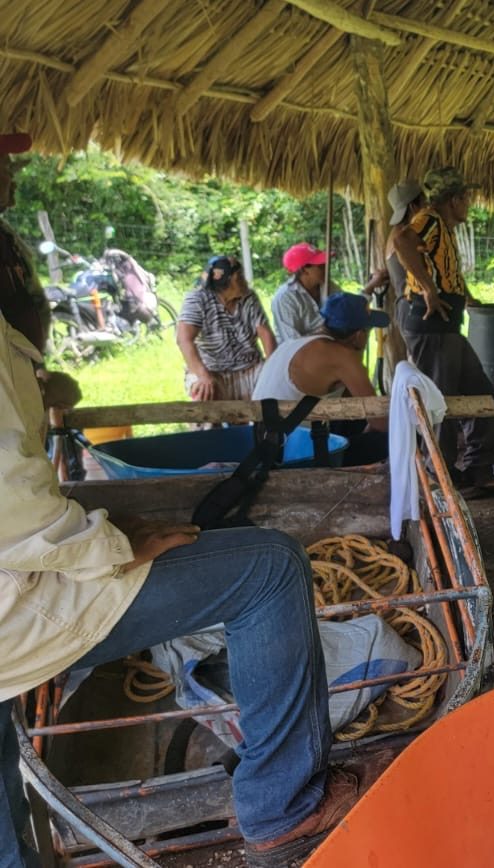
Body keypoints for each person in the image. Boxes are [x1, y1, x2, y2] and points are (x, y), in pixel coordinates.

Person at [0, 130, 354, 868]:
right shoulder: (222, 301)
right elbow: (17, 510)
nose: (11, 167)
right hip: (16, 603)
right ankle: (281, 803)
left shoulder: (257, 303)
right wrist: (112, 541)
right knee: (271, 567)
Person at [391, 166, 494, 499]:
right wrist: (428, 289)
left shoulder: (441, 227)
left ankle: (478, 469)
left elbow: (443, 268)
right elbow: (401, 241)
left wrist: (465, 294)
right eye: (467, 198)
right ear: (455, 199)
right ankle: (438, 480)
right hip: (432, 327)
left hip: (447, 328)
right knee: (438, 402)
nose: (468, 204)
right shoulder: (428, 219)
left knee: (481, 394)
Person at [251, 294, 390, 466]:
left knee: (356, 423)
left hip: (262, 444)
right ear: (359, 335)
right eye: (368, 331)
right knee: (391, 436)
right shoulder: (342, 357)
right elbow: (381, 422)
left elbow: (352, 403)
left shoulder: (294, 343)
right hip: (292, 455)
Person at [177, 254, 277, 405]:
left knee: (278, 390)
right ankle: (206, 428)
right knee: (203, 394)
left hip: (251, 367)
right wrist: (203, 376)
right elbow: (184, 340)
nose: (245, 280)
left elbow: (265, 333)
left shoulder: (248, 297)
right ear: (232, 279)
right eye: (241, 275)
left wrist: (272, 368)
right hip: (212, 370)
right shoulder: (197, 299)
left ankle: (268, 428)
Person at [270, 242, 343, 343]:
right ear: (304, 270)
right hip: (298, 356)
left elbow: (345, 310)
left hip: (327, 350)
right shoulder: (285, 298)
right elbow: (293, 342)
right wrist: (325, 333)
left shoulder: (328, 285)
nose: (327, 268)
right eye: (320, 266)